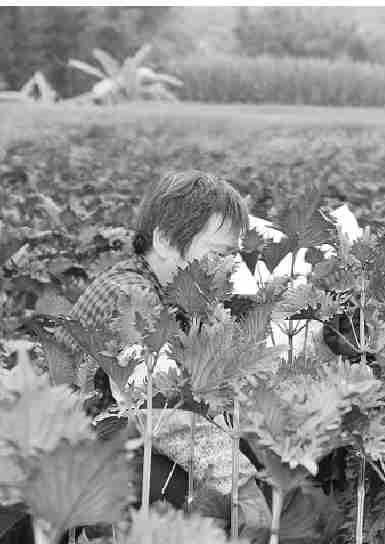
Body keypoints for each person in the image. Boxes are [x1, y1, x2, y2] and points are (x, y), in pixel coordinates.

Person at [65, 169, 263, 514]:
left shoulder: (174, 296)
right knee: (194, 493)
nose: (230, 267)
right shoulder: (129, 297)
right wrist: (240, 482)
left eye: (233, 255)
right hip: (71, 462)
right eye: (218, 254)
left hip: (110, 440)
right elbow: (158, 410)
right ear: (166, 242)